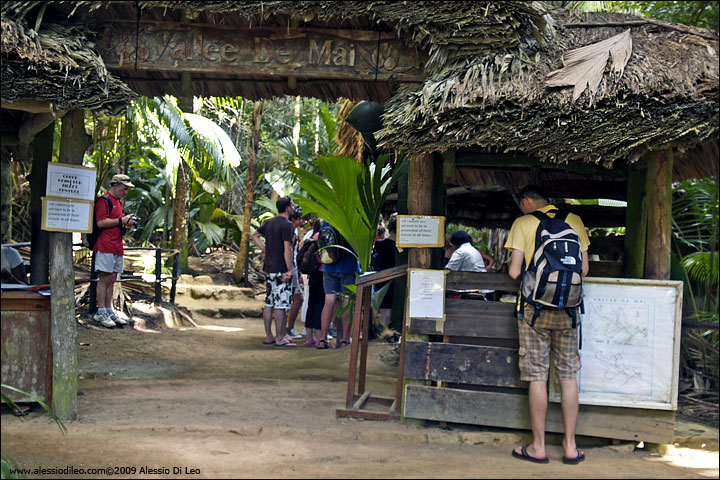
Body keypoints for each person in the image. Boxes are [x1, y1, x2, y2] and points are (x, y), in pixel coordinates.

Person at [504, 185, 590, 465]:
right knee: (568, 375)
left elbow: (515, 271)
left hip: (534, 311)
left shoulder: (523, 223)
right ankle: (570, 447)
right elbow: (584, 269)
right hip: (568, 310)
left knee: (537, 375)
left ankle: (538, 447)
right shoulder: (574, 220)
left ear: (526, 201)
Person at [251, 196, 297, 347]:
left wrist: (266, 250)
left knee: (270, 302)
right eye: (292, 205)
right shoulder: (287, 225)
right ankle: (279, 338)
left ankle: (270, 336)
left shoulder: (269, 222)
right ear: (288, 208)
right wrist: (289, 269)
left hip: (269, 267)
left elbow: (255, 236)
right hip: (281, 269)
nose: (294, 206)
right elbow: (287, 248)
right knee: (281, 304)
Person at [93, 174, 137, 328]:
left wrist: (126, 223)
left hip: (117, 245)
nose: (126, 192)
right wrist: (121, 221)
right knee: (104, 278)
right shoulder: (104, 200)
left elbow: (116, 222)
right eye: (124, 189)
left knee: (112, 278)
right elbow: (101, 222)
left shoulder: (117, 202)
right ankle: (101, 311)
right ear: (115, 185)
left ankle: (109, 309)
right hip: (105, 245)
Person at [316, 221, 360, 349]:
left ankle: (322, 339)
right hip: (348, 267)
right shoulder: (352, 217)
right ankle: (345, 339)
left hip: (329, 266)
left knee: (329, 301)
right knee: (347, 302)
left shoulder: (326, 219)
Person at [302, 219, 324, 346]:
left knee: (311, 303)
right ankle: (319, 337)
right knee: (320, 305)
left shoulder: (310, 237)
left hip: (313, 274)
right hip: (321, 272)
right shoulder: (321, 237)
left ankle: (309, 337)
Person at [372, 216, 397, 328]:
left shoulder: (380, 245)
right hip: (394, 282)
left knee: (383, 310)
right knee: (387, 310)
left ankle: (381, 333)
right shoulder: (401, 248)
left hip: (381, 281)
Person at [285, 207, 305, 340]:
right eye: (298, 219)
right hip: (291, 267)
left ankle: (288, 328)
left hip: (292, 268)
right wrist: (293, 270)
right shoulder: (291, 231)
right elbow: (290, 251)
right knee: (295, 299)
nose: (301, 221)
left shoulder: (293, 230)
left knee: (295, 298)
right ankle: (288, 328)